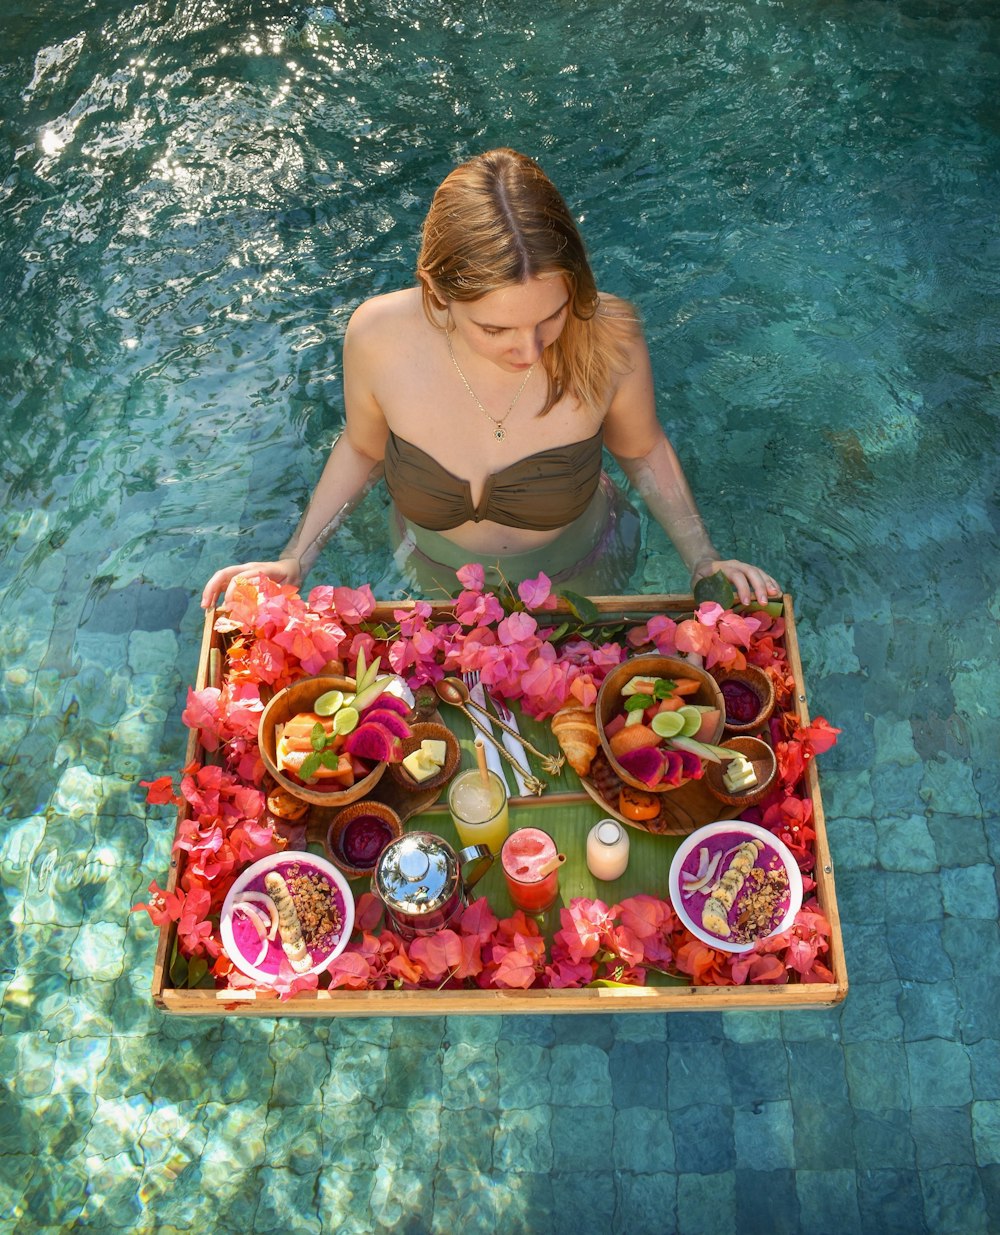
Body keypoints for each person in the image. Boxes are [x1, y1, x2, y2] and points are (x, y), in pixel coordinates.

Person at [202, 148, 780, 609]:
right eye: (495, 328)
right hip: (430, 574)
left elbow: (644, 449)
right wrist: (297, 557)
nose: (528, 349)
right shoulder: (378, 335)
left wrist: (703, 559)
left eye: (550, 316)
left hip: (583, 573)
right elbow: (362, 448)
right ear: (438, 295)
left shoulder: (608, 334)